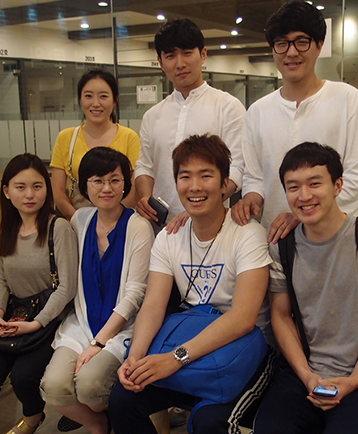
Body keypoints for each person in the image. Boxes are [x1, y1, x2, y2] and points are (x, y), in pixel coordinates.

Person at [109, 134, 274, 434]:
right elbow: (153, 306)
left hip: (242, 354)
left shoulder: (248, 234)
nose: (195, 186)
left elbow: (243, 318)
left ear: (225, 184)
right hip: (190, 345)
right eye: (185, 177)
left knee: (207, 422)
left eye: (206, 175)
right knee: (122, 399)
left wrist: (176, 359)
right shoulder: (169, 237)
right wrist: (135, 358)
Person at [253, 142, 358, 434]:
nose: (304, 195)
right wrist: (307, 375)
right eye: (293, 187)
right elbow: (281, 316)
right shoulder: (282, 248)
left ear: (338, 186)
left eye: (315, 183)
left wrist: (354, 380)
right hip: (302, 374)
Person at [232, 0, 358, 243]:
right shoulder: (258, 111)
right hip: (277, 237)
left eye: (301, 41)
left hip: (336, 238)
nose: (291, 52)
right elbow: (255, 177)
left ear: (319, 45)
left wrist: (304, 215)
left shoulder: (348, 100)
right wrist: (251, 199)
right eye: (281, 43)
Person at [40, 147, 154, 434]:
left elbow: (135, 294)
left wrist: (99, 343)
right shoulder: (79, 220)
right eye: (98, 181)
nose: (106, 188)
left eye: (115, 180)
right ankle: (99, 424)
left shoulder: (139, 227)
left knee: (90, 386)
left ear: (125, 184)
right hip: (82, 323)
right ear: (84, 185)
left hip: (123, 327)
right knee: (53, 385)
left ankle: (114, 414)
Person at [0, 153, 78, 434]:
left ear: (46, 189)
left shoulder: (58, 228)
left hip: (50, 319)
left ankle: (32, 417)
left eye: (37, 186)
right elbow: (1, 278)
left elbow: (67, 287)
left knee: (23, 375)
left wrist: (37, 323)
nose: (29, 194)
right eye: (20, 187)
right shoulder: (8, 228)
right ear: (7, 191)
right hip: (16, 316)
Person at [134, 18, 245, 228]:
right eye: (170, 56)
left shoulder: (228, 107)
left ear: (203, 54)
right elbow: (145, 166)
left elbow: (238, 168)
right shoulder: (152, 115)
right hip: (161, 227)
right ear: (160, 62)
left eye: (187, 53)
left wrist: (198, 207)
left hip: (212, 225)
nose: (180, 64)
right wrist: (145, 197)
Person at [51, 68, 140, 219]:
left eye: (103, 96)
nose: (96, 103)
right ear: (80, 99)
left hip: (118, 221)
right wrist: (80, 221)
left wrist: (113, 220)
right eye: (88, 96)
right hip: (77, 220)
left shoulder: (129, 137)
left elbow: (134, 188)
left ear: (115, 100)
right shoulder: (66, 137)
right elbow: (58, 191)